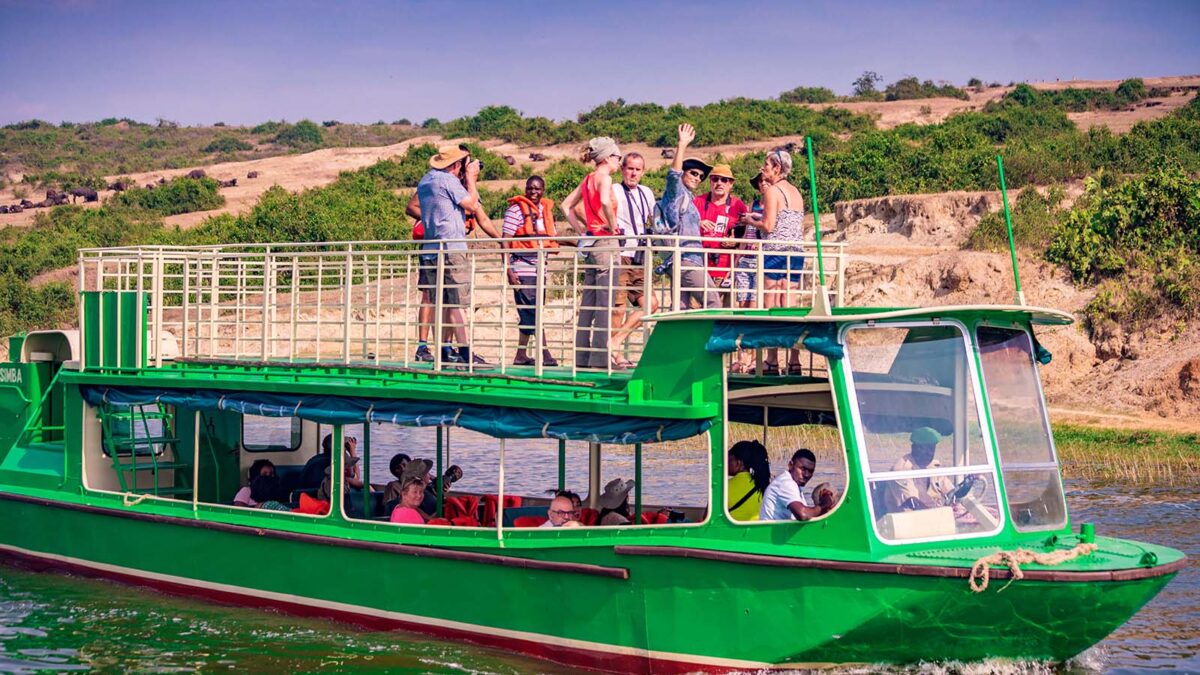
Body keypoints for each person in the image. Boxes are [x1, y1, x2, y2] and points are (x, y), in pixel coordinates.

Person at [405, 170, 498, 363]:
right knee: (434, 298)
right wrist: (437, 219)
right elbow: (411, 206)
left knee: (449, 302)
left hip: (444, 249)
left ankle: (446, 348)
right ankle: (426, 346)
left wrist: (503, 241)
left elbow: (481, 216)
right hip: (439, 248)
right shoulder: (439, 182)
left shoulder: (463, 189)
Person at [562, 137, 622, 369]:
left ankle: (581, 357)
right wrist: (613, 226)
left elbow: (566, 205)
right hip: (606, 243)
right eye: (617, 157)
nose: (619, 161)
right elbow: (605, 201)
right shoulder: (604, 178)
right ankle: (599, 358)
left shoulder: (588, 179)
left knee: (588, 302)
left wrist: (583, 231)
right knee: (605, 302)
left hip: (592, 243)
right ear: (607, 157)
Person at [659, 123, 719, 310]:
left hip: (687, 259)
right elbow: (673, 175)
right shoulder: (676, 193)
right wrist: (682, 144)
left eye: (701, 176)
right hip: (685, 259)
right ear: (684, 173)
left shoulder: (689, 199)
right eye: (693, 173)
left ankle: (672, 332)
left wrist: (699, 222)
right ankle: (712, 332)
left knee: (680, 307)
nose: (697, 178)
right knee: (713, 302)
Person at [758, 148, 807, 375]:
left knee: (772, 304)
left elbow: (768, 226)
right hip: (796, 253)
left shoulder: (772, 191)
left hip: (776, 250)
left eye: (766, 165)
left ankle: (771, 360)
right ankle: (794, 360)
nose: (762, 169)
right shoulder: (796, 191)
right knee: (790, 304)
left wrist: (751, 221)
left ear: (777, 168)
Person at [502, 175, 560, 367]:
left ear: (543, 190)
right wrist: (509, 270)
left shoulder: (544, 211)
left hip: (540, 269)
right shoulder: (515, 211)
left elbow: (551, 238)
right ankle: (545, 353)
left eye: (537, 189)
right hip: (522, 267)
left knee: (530, 311)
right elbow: (505, 241)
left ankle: (521, 355)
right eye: (530, 188)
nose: (533, 192)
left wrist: (579, 243)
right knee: (532, 311)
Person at [609, 153, 658, 361]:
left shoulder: (647, 192)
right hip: (621, 254)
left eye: (638, 169)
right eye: (630, 168)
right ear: (622, 169)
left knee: (651, 304)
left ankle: (616, 341)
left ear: (643, 172)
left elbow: (655, 219)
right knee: (618, 308)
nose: (633, 173)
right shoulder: (614, 189)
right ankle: (616, 355)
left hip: (640, 256)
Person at [694, 164, 748, 307]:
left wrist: (735, 242)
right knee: (696, 309)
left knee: (724, 311)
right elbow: (684, 225)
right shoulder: (697, 202)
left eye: (724, 180)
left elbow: (747, 235)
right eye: (715, 179)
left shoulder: (738, 206)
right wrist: (698, 223)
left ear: (731, 184)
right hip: (700, 266)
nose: (719, 183)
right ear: (710, 181)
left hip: (726, 269)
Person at [730, 172, 766, 374]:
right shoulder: (753, 205)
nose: (763, 184)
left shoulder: (773, 206)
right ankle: (741, 357)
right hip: (746, 258)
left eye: (765, 181)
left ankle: (753, 358)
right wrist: (736, 261)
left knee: (754, 308)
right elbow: (746, 235)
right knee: (742, 308)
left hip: (761, 261)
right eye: (760, 181)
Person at [883, 427, 957, 513]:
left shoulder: (933, 466)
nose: (929, 453)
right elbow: (913, 503)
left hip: (933, 514)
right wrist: (939, 514)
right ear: (914, 448)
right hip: (908, 517)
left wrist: (964, 487)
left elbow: (950, 491)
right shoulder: (901, 470)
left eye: (932, 449)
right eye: (924, 449)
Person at [759, 449, 834, 521]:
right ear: (790, 465)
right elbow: (803, 515)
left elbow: (808, 514)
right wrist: (824, 505)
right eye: (803, 469)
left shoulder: (794, 484)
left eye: (810, 471)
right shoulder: (786, 483)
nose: (806, 475)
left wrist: (824, 504)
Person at [726, 440, 770, 521]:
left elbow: (707, 519)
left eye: (729, 460)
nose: (725, 463)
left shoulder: (724, 487)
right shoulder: (763, 485)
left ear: (738, 463)